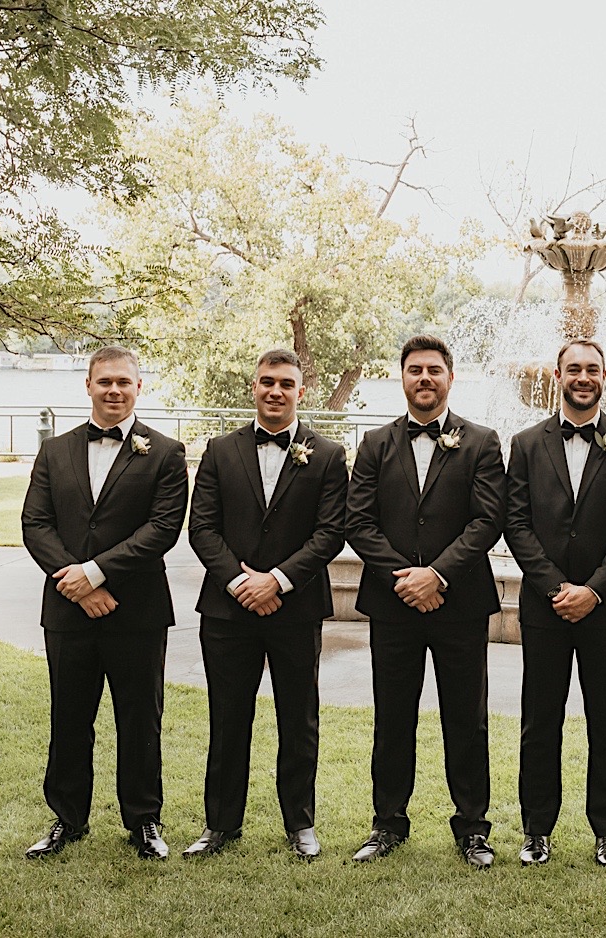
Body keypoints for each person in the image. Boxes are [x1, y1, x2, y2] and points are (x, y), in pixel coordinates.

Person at [20, 345, 189, 860]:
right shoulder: (55, 451)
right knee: (69, 716)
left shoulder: (165, 451)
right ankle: (67, 820)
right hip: (68, 609)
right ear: (88, 386)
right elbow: (35, 523)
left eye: (124, 382)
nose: (114, 390)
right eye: (104, 381)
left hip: (136, 610)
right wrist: (75, 582)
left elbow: (162, 529)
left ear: (140, 387)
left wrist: (95, 573)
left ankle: (143, 821)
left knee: (140, 718)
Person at [345, 335, 506, 869]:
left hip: (459, 603)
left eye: (434, 370)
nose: (424, 379)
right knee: (393, 717)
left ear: (450, 378)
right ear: (403, 377)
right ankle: (388, 823)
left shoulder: (481, 442)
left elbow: (488, 520)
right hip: (393, 605)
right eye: (415, 370)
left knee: (467, 717)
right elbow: (358, 522)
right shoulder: (374, 444)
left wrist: (437, 574)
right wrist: (404, 578)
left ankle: (473, 828)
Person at [181, 349, 348, 861]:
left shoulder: (328, 454)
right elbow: (202, 528)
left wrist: (276, 581)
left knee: (299, 718)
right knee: (228, 717)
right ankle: (220, 825)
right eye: (267, 382)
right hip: (227, 611)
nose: (275, 391)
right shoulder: (219, 450)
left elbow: (330, 534)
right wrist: (239, 582)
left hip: (295, 609)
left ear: (303, 391)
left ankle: (300, 823)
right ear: (253, 387)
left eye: (286, 384)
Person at [504, 338, 606, 867]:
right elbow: (514, 523)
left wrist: (593, 589)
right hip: (545, 608)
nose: (583, 377)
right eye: (573, 369)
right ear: (557, 375)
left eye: (592, 369)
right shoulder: (524, 444)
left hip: (605, 608)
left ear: (604, 377)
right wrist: (553, 587)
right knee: (540, 719)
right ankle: (536, 830)